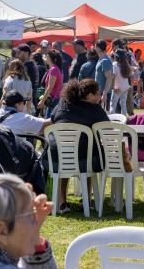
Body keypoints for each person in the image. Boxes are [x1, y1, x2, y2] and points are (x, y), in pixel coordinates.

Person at [45, 79, 109, 213]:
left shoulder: (63, 103)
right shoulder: (95, 109)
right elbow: (106, 129)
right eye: (98, 94)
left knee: (66, 159)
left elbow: (52, 120)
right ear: (89, 96)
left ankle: (62, 203)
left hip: (54, 158)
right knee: (88, 152)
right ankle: (85, 200)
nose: (100, 97)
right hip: (84, 160)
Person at [37, 49, 64, 118]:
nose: (45, 58)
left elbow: (50, 87)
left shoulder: (53, 69)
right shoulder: (57, 68)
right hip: (55, 98)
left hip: (53, 99)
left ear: (51, 58)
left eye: (47, 57)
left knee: (48, 120)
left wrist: (42, 101)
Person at [109, 49, 132, 115]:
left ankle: (112, 120)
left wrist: (113, 87)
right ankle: (124, 119)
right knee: (123, 105)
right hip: (125, 88)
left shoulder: (114, 64)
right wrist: (131, 85)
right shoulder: (126, 65)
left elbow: (113, 76)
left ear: (117, 56)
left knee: (113, 105)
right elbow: (132, 75)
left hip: (117, 88)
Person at [93, 40, 114, 110]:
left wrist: (105, 94)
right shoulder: (101, 59)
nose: (94, 48)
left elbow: (109, 78)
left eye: (95, 46)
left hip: (103, 93)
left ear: (99, 48)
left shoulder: (105, 60)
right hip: (99, 92)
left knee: (104, 116)